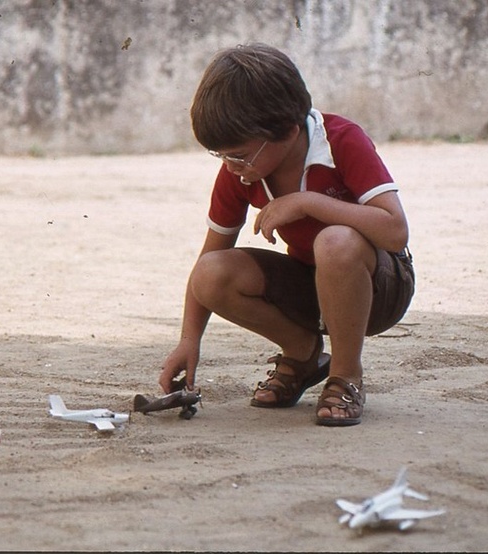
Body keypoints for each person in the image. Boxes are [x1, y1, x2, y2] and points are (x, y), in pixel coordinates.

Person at [158, 43, 414, 427]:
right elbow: (208, 261)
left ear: (288, 132)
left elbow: (395, 231)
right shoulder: (241, 172)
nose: (232, 165)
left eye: (240, 154)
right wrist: (188, 340)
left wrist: (309, 202)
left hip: (378, 288)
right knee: (211, 273)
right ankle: (302, 353)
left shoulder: (341, 140)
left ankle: (345, 375)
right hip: (311, 288)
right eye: (221, 156)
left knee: (335, 241)